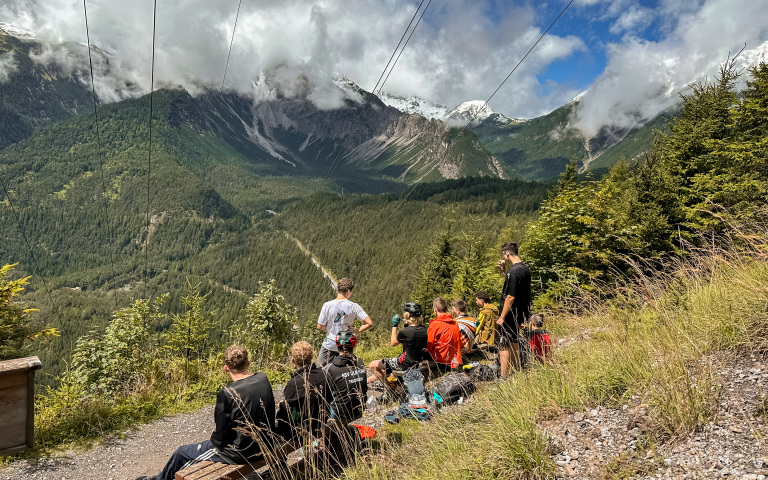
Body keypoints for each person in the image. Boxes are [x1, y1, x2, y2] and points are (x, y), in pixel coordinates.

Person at [137, 346, 275, 480]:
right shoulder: (263, 378)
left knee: (181, 452)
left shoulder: (227, 393)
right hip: (266, 444)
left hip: (241, 453)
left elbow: (221, 434)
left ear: (226, 368)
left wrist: (214, 442)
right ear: (248, 363)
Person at [275, 341, 332, 442]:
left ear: (293, 360)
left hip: (304, 430)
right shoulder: (324, 374)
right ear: (311, 357)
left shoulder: (294, 383)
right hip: (322, 421)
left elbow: (289, 413)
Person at [368, 302, 429, 388]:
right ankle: (370, 381)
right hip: (417, 361)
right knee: (387, 369)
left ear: (408, 315)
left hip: (405, 364)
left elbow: (393, 343)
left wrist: (394, 326)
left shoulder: (405, 332)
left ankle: (389, 390)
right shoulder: (423, 329)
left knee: (372, 365)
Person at [317, 278, 373, 367]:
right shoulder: (354, 306)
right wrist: (355, 331)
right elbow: (369, 323)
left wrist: (327, 325)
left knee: (321, 369)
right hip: (346, 345)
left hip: (330, 344)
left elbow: (320, 327)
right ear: (348, 291)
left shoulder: (327, 305)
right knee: (345, 369)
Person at [496, 242, 531, 378]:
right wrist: (504, 272)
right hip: (519, 312)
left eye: (503, 254)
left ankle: (504, 377)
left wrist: (502, 316)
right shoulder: (525, 269)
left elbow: (510, 296)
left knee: (504, 344)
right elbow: (516, 287)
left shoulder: (514, 271)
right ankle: (516, 371)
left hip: (509, 313)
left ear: (507, 254)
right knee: (514, 340)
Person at [325, 330, 368, 422]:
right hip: (359, 409)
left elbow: (326, 393)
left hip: (340, 414)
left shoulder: (332, 368)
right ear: (354, 345)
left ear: (337, 345)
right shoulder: (359, 362)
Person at [426, 297, 462, 367]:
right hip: (454, 359)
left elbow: (429, 345)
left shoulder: (435, 324)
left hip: (440, 359)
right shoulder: (454, 322)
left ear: (435, 310)